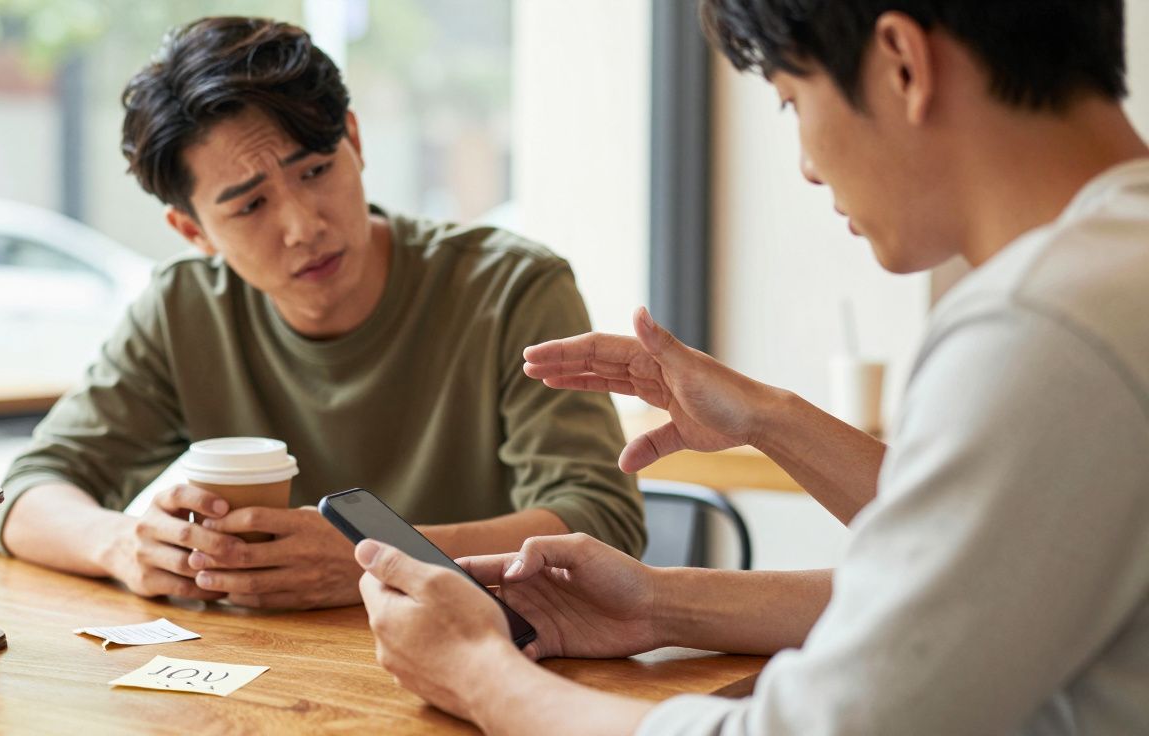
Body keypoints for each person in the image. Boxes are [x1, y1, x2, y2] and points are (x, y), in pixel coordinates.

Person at [354, 1, 1149, 733]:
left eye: (790, 100)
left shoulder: (1042, 324)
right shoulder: (1113, 272)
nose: (805, 164)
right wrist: (663, 600)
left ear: (902, 63)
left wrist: (480, 675)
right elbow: (975, 589)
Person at [0, 16, 644, 610]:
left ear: (355, 141)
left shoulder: (511, 287)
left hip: (496, 664)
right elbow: (30, 492)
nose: (304, 225)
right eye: (250, 207)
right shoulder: (183, 309)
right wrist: (122, 544)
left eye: (315, 170)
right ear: (193, 231)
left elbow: (602, 520)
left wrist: (380, 555)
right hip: (279, 679)